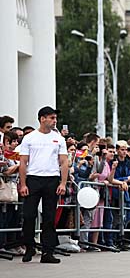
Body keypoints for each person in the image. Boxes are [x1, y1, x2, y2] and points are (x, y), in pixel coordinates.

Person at [19, 106, 68, 263]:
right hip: (33, 179)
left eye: (55, 118)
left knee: (49, 217)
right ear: (42, 119)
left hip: (51, 179)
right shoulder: (30, 138)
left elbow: (64, 161)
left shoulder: (59, 138)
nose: (55, 121)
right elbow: (23, 162)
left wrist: (63, 182)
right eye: (52, 118)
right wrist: (23, 184)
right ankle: (30, 246)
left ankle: (48, 252)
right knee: (28, 215)